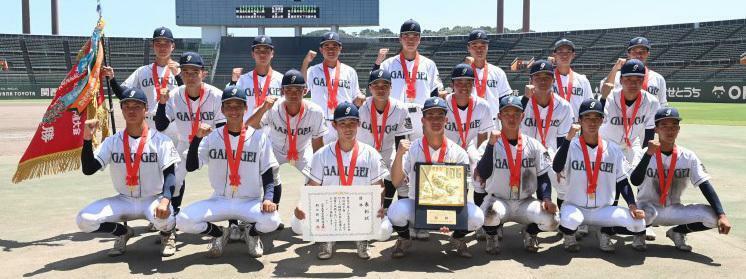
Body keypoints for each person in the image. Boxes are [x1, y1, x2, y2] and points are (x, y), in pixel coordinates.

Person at [177, 86, 281, 258]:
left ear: (245, 108)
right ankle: (219, 233)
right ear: (222, 109)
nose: (233, 110)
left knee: (272, 221)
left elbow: (268, 173)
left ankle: (251, 233)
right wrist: (197, 139)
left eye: (238, 106)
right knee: (182, 220)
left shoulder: (259, 137)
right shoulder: (212, 136)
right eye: (229, 106)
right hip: (220, 200)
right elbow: (191, 166)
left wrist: (268, 198)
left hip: (249, 201)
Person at [77, 88, 180, 257]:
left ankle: (167, 234)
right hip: (123, 199)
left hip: (152, 199)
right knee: (84, 219)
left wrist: (166, 201)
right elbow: (88, 169)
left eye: (137, 106)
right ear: (122, 109)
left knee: (167, 219)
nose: (132, 110)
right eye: (127, 106)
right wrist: (87, 139)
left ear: (146, 109)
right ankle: (122, 232)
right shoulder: (112, 141)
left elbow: (170, 175)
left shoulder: (161, 140)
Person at [387, 97, 485, 258]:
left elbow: (462, 191)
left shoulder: (458, 152)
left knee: (477, 217)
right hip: (417, 205)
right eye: (430, 116)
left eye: (439, 116)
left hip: (448, 205)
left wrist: (450, 216)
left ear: (446, 120)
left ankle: (457, 238)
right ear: (423, 120)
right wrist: (398, 155)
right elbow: (397, 181)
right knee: (395, 211)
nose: (435, 120)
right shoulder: (412, 149)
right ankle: (404, 239)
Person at [629, 107, 732, 251]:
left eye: (673, 126)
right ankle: (639, 234)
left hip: (674, 209)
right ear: (656, 129)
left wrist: (722, 215)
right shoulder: (644, 153)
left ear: (678, 129)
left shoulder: (688, 156)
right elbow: (635, 181)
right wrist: (648, 155)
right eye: (664, 126)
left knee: (714, 218)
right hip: (646, 209)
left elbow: (704, 184)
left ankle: (678, 232)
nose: (669, 130)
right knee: (633, 217)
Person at [295, 102, 389, 260]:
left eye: (352, 123)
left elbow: (379, 187)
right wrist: (302, 205)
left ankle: (362, 237)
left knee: (385, 230)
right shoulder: (322, 154)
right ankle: (327, 239)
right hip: (333, 210)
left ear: (358, 124)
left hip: (359, 211)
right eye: (342, 123)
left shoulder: (370, 153)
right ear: (334, 125)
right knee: (298, 224)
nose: (348, 128)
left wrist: (378, 207)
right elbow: (313, 187)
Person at [553, 98, 647, 252]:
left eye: (596, 118)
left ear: (602, 120)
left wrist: (631, 204)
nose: (592, 122)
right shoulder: (570, 145)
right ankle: (569, 236)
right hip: (575, 206)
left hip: (603, 209)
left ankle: (604, 233)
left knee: (639, 223)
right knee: (570, 220)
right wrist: (568, 138)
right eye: (587, 118)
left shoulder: (613, 149)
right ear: (579, 120)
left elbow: (622, 181)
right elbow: (557, 167)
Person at [475, 96, 558, 254]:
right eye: (507, 113)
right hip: (498, 200)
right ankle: (492, 235)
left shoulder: (533, 144)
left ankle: (530, 232)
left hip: (525, 202)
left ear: (522, 116)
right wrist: (491, 145)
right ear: (499, 116)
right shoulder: (490, 144)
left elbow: (543, 177)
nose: (511, 118)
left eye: (516, 113)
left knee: (552, 220)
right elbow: (483, 173)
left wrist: (546, 198)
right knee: (486, 216)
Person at [153, 52, 225, 217]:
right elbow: (161, 125)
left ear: (203, 73)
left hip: (212, 144)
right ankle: (173, 214)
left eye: (195, 72)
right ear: (180, 73)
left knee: (227, 180)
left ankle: (234, 222)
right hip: (185, 143)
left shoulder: (216, 95)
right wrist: (162, 104)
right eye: (186, 72)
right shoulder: (174, 95)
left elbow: (222, 128)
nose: (190, 76)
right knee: (175, 180)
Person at [356, 69, 414, 212]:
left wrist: (399, 162)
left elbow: (401, 140)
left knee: (403, 181)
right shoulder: (360, 107)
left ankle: (401, 216)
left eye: (385, 85)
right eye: (376, 85)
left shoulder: (401, 108)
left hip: (388, 151)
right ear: (369, 88)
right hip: (364, 153)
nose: (380, 89)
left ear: (391, 87)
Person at [301, 31, 364, 143]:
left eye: (335, 46)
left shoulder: (350, 72)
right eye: (327, 46)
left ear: (340, 49)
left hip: (343, 123)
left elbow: (355, 98)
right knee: (319, 158)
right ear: (321, 49)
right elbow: (302, 90)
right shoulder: (313, 70)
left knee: (342, 158)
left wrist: (360, 98)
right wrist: (306, 62)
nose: (331, 50)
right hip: (320, 123)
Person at [600, 37, 667, 107]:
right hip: (621, 116)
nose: (638, 55)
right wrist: (615, 68)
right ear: (628, 54)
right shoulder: (617, 76)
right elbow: (603, 92)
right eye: (634, 51)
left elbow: (662, 104)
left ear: (648, 54)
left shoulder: (658, 78)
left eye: (642, 52)